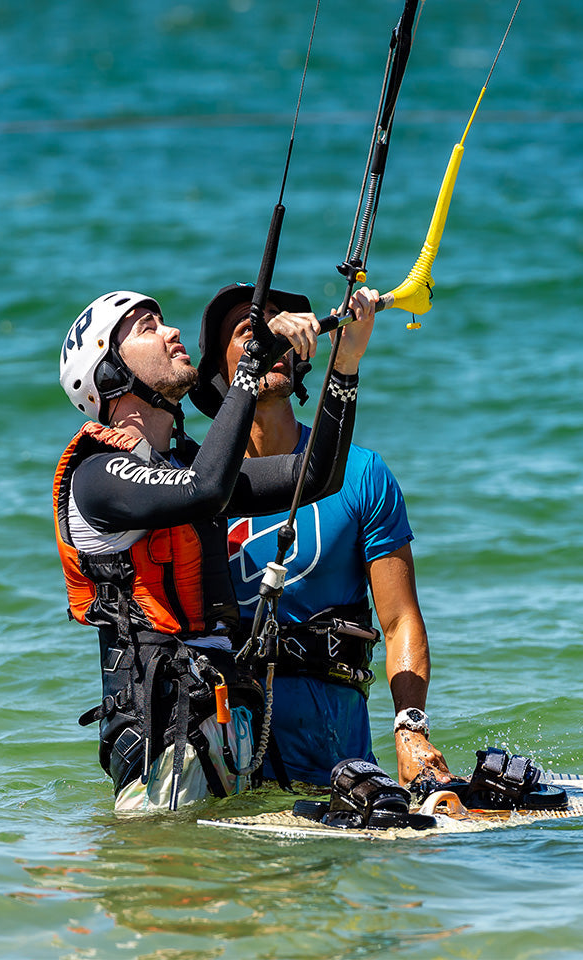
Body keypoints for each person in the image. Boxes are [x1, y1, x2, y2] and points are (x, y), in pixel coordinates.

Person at [53, 287, 377, 810]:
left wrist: (345, 365)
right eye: (146, 327)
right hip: (162, 754)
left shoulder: (185, 468)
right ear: (109, 373)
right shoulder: (97, 476)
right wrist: (249, 367)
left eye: (162, 320)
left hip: (218, 740)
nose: (170, 331)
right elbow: (205, 491)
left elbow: (316, 476)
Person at [190, 283, 452, 790]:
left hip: (341, 772)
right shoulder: (192, 485)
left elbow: (399, 620)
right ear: (223, 373)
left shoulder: (360, 474)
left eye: (277, 328)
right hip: (229, 777)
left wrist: (410, 729)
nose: (268, 338)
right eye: (249, 332)